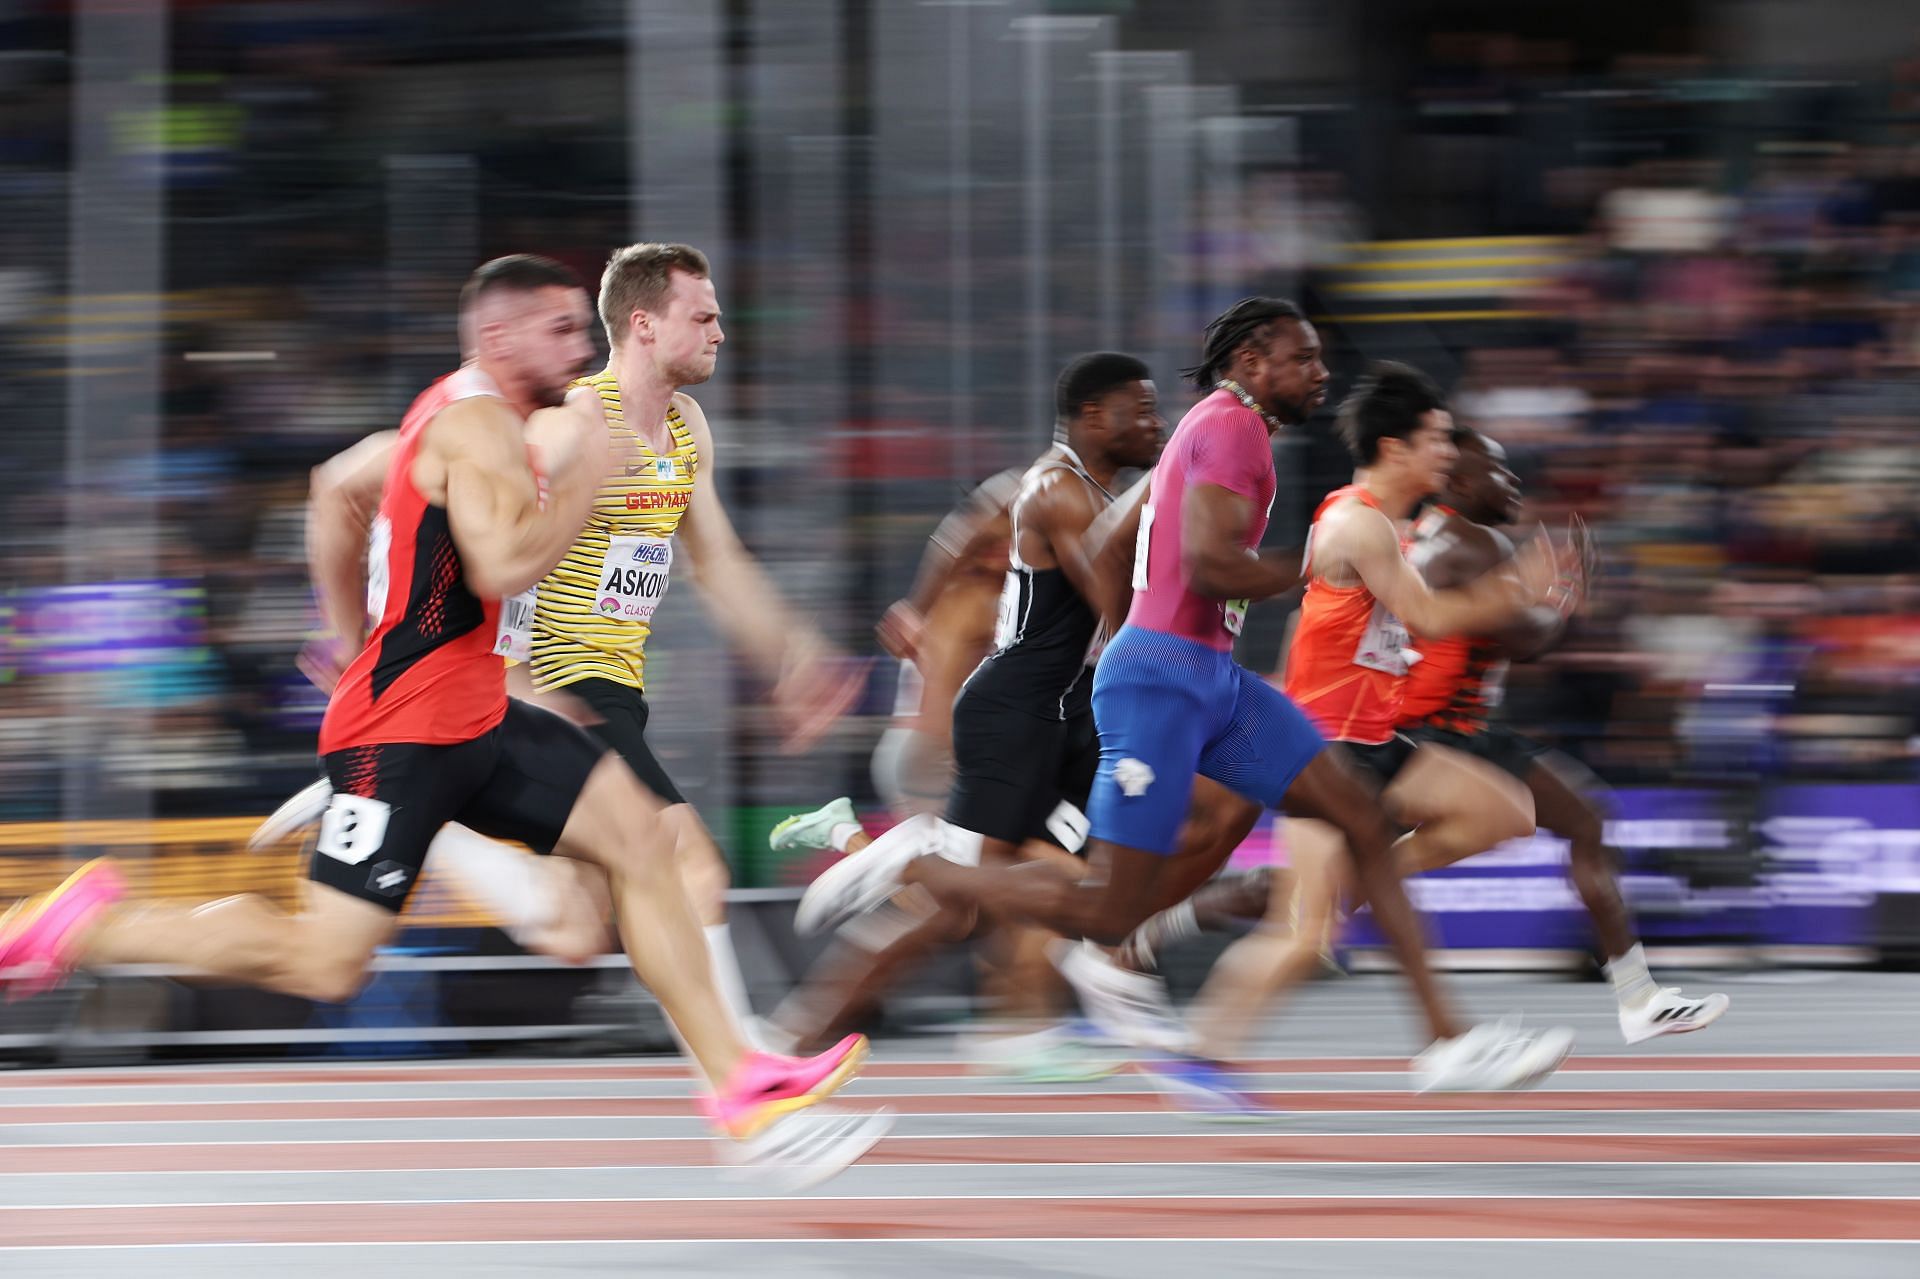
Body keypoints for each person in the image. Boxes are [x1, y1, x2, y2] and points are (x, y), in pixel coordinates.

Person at [0, 256, 884, 1183]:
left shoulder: (542, 422)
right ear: (499, 339)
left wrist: (343, 632)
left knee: (648, 850)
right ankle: (85, 923)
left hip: (483, 711)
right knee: (324, 962)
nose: (580, 348)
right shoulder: (484, 425)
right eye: (561, 332)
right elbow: (494, 562)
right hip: (405, 727)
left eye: (584, 331)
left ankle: (740, 1085)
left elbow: (337, 494)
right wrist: (580, 475)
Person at [799, 297, 1575, 1093]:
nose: (1320, 373)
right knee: (1104, 909)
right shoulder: (1231, 427)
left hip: (1206, 674)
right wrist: (1311, 559)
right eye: (1302, 359)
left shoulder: (1209, 431)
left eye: (1318, 358)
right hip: (1163, 684)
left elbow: (1113, 540)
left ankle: (1446, 1041)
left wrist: (1131, 610)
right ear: (1250, 364)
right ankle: (917, 860)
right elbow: (1210, 566)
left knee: (1357, 818)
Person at [264, 243, 865, 1036]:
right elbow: (361, 477)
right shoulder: (565, 417)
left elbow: (717, 561)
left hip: (614, 681)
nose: (722, 332)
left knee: (570, 929)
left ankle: (431, 814)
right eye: (705, 316)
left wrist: (792, 655)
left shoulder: (684, 428)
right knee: (690, 867)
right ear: (645, 326)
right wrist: (355, 630)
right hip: (552, 678)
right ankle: (752, 1065)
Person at [1163, 362, 1577, 1097]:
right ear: (1396, 446)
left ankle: (1353, 889)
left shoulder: (1385, 524)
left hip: (1376, 739)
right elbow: (1433, 618)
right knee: (1299, 937)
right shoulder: (1356, 523)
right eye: (1439, 439)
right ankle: (1199, 1056)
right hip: (1325, 753)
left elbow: (1317, 620)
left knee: (1505, 809)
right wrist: (1516, 586)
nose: (1451, 453)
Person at [769, 354, 1190, 1068]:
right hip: (953, 747)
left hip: (1025, 731)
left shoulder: (1045, 535)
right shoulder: (1027, 530)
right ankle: (888, 867)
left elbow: (976, 528)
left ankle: (1012, 1022)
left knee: (1028, 886)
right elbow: (1105, 609)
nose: (1157, 425)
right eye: (1142, 413)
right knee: (973, 897)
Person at [1397, 426, 1728, 1043]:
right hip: (1436, 732)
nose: (1513, 479)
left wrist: (1541, 598)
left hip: (1448, 726)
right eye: (1499, 471)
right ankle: (1179, 921)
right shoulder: (1475, 541)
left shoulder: (1431, 533)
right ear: (1462, 484)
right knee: (1338, 877)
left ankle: (1640, 999)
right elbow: (1525, 642)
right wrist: (1564, 595)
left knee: (1585, 819)